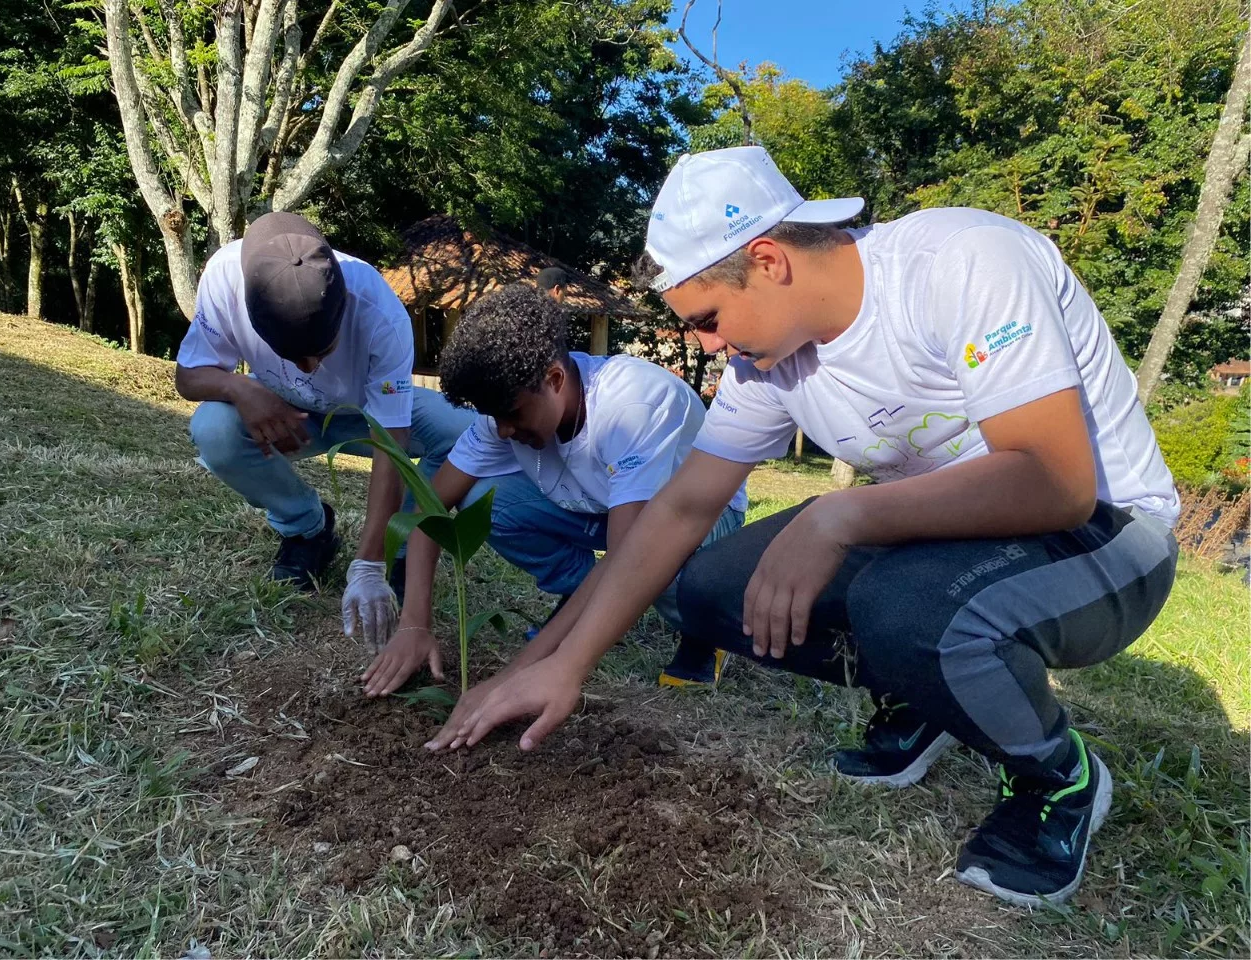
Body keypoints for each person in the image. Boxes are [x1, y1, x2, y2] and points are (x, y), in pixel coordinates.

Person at [422, 147, 1181, 909]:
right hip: (939, 544)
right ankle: (925, 698)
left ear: (768, 260)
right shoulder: (768, 364)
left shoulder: (961, 261)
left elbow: (1055, 482)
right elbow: (682, 510)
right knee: (705, 590)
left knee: (903, 609)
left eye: (708, 320)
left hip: (1107, 535)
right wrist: (564, 665)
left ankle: (1058, 777)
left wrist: (838, 514)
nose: (707, 345)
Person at [359, 284, 746, 697]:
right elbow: (428, 510)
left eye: (512, 415)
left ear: (555, 379)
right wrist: (414, 625)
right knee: (486, 501)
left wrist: (514, 675)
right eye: (494, 417)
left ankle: (705, 631)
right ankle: (579, 592)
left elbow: (628, 560)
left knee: (660, 561)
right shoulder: (503, 415)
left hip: (701, 517)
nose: (503, 431)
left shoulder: (633, 407)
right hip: (599, 505)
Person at [175, 212, 474, 653]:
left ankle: (405, 549)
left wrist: (370, 561)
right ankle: (307, 530)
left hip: (363, 412)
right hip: (285, 414)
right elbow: (188, 376)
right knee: (212, 428)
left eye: (323, 350)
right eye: (291, 355)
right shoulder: (225, 277)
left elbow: (391, 444)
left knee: (462, 433)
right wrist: (239, 388)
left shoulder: (379, 311)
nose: (310, 368)